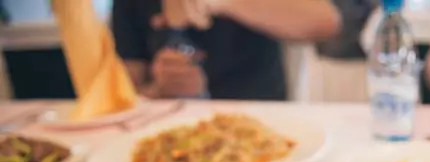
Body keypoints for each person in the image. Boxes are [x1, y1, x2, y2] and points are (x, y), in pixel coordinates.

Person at [112, 0, 342, 100]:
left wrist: (224, 2)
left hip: (260, 123)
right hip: (170, 130)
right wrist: (161, 89)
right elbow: (126, 88)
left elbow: (326, 22)